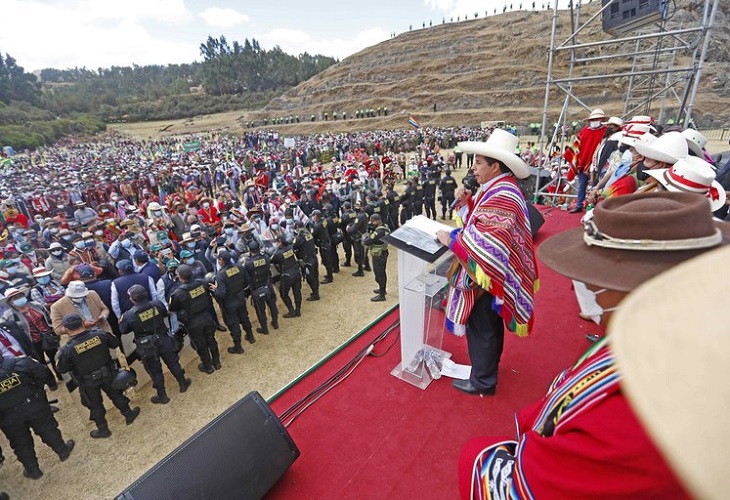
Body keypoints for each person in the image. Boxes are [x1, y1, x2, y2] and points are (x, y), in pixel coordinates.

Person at [460, 192, 730, 499]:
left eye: (597, 275)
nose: (586, 286)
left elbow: (519, 489)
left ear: (634, 286)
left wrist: (476, 453)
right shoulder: (676, 339)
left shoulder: (635, 410)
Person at [436, 129, 538, 396]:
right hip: (494, 276)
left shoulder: (502, 195)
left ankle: (483, 381)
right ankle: (487, 369)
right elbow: (480, 225)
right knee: (488, 325)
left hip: (488, 277)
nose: (473, 166)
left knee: (482, 326)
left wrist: (451, 241)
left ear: (495, 166)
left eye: (479, 161)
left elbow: (487, 247)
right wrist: (468, 202)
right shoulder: (498, 188)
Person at [56, 313, 140, 438]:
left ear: (66, 329)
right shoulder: (99, 334)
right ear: (83, 322)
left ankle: (103, 429)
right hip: (108, 373)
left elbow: (62, 369)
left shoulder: (66, 349)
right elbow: (114, 342)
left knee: (95, 404)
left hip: (87, 381)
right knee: (116, 395)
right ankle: (128, 414)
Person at [0, 354, 74, 480]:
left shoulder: (20, 362)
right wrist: (38, 391)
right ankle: (62, 450)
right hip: (33, 404)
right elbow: (43, 373)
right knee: (47, 429)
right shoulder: (21, 362)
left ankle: (33, 470)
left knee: (20, 443)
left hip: (7, 416)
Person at [119, 285, 190, 404]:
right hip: (163, 338)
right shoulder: (157, 304)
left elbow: (123, 330)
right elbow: (164, 313)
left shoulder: (129, 315)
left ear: (132, 299)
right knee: (173, 362)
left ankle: (162, 396)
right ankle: (183, 383)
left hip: (146, 345)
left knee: (155, 371)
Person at [169, 264, 221, 374]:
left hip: (192, 323)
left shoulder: (178, 293)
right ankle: (217, 362)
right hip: (207, 316)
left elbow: (172, 308)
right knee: (211, 340)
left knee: (201, 345)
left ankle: (208, 366)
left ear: (179, 277)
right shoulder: (202, 283)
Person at [211, 250, 253, 351]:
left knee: (233, 324)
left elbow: (221, 293)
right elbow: (247, 281)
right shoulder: (239, 267)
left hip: (229, 303)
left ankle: (238, 346)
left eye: (218, 259)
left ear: (221, 260)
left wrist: (215, 289)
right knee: (244, 318)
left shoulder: (220, 275)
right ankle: (251, 337)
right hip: (240, 297)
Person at [569, 108, 608, 213]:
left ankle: (594, 207)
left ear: (601, 119)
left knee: (596, 186)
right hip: (582, 163)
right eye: (593, 119)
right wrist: (576, 161)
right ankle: (579, 205)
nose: (594, 121)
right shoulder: (585, 131)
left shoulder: (605, 131)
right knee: (582, 185)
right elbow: (577, 147)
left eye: (597, 119)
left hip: (598, 164)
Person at [243, 240, 279, 335]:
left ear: (250, 250)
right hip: (268, 286)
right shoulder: (266, 258)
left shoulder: (248, 263)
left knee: (260, 311)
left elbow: (247, 278)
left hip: (256, 289)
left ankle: (264, 329)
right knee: (272, 306)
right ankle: (275, 323)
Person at [270, 234, 302, 318]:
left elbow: (271, 260)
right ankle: (298, 310)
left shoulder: (278, 253)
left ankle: (291, 311)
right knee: (297, 292)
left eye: (277, 242)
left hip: (287, 276)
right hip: (296, 272)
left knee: (283, 294)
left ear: (280, 242)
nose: (276, 244)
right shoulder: (290, 248)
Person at [361, 213, 390, 302]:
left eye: (373, 221)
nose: (372, 223)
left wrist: (366, 237)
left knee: (379, 275)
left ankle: (381, 295)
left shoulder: (378, 232)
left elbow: (367, 241)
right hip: (383, 253)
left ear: (377, 221)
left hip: (378, 255)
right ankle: (382, 290)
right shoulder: (385, 227)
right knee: (382, 273)